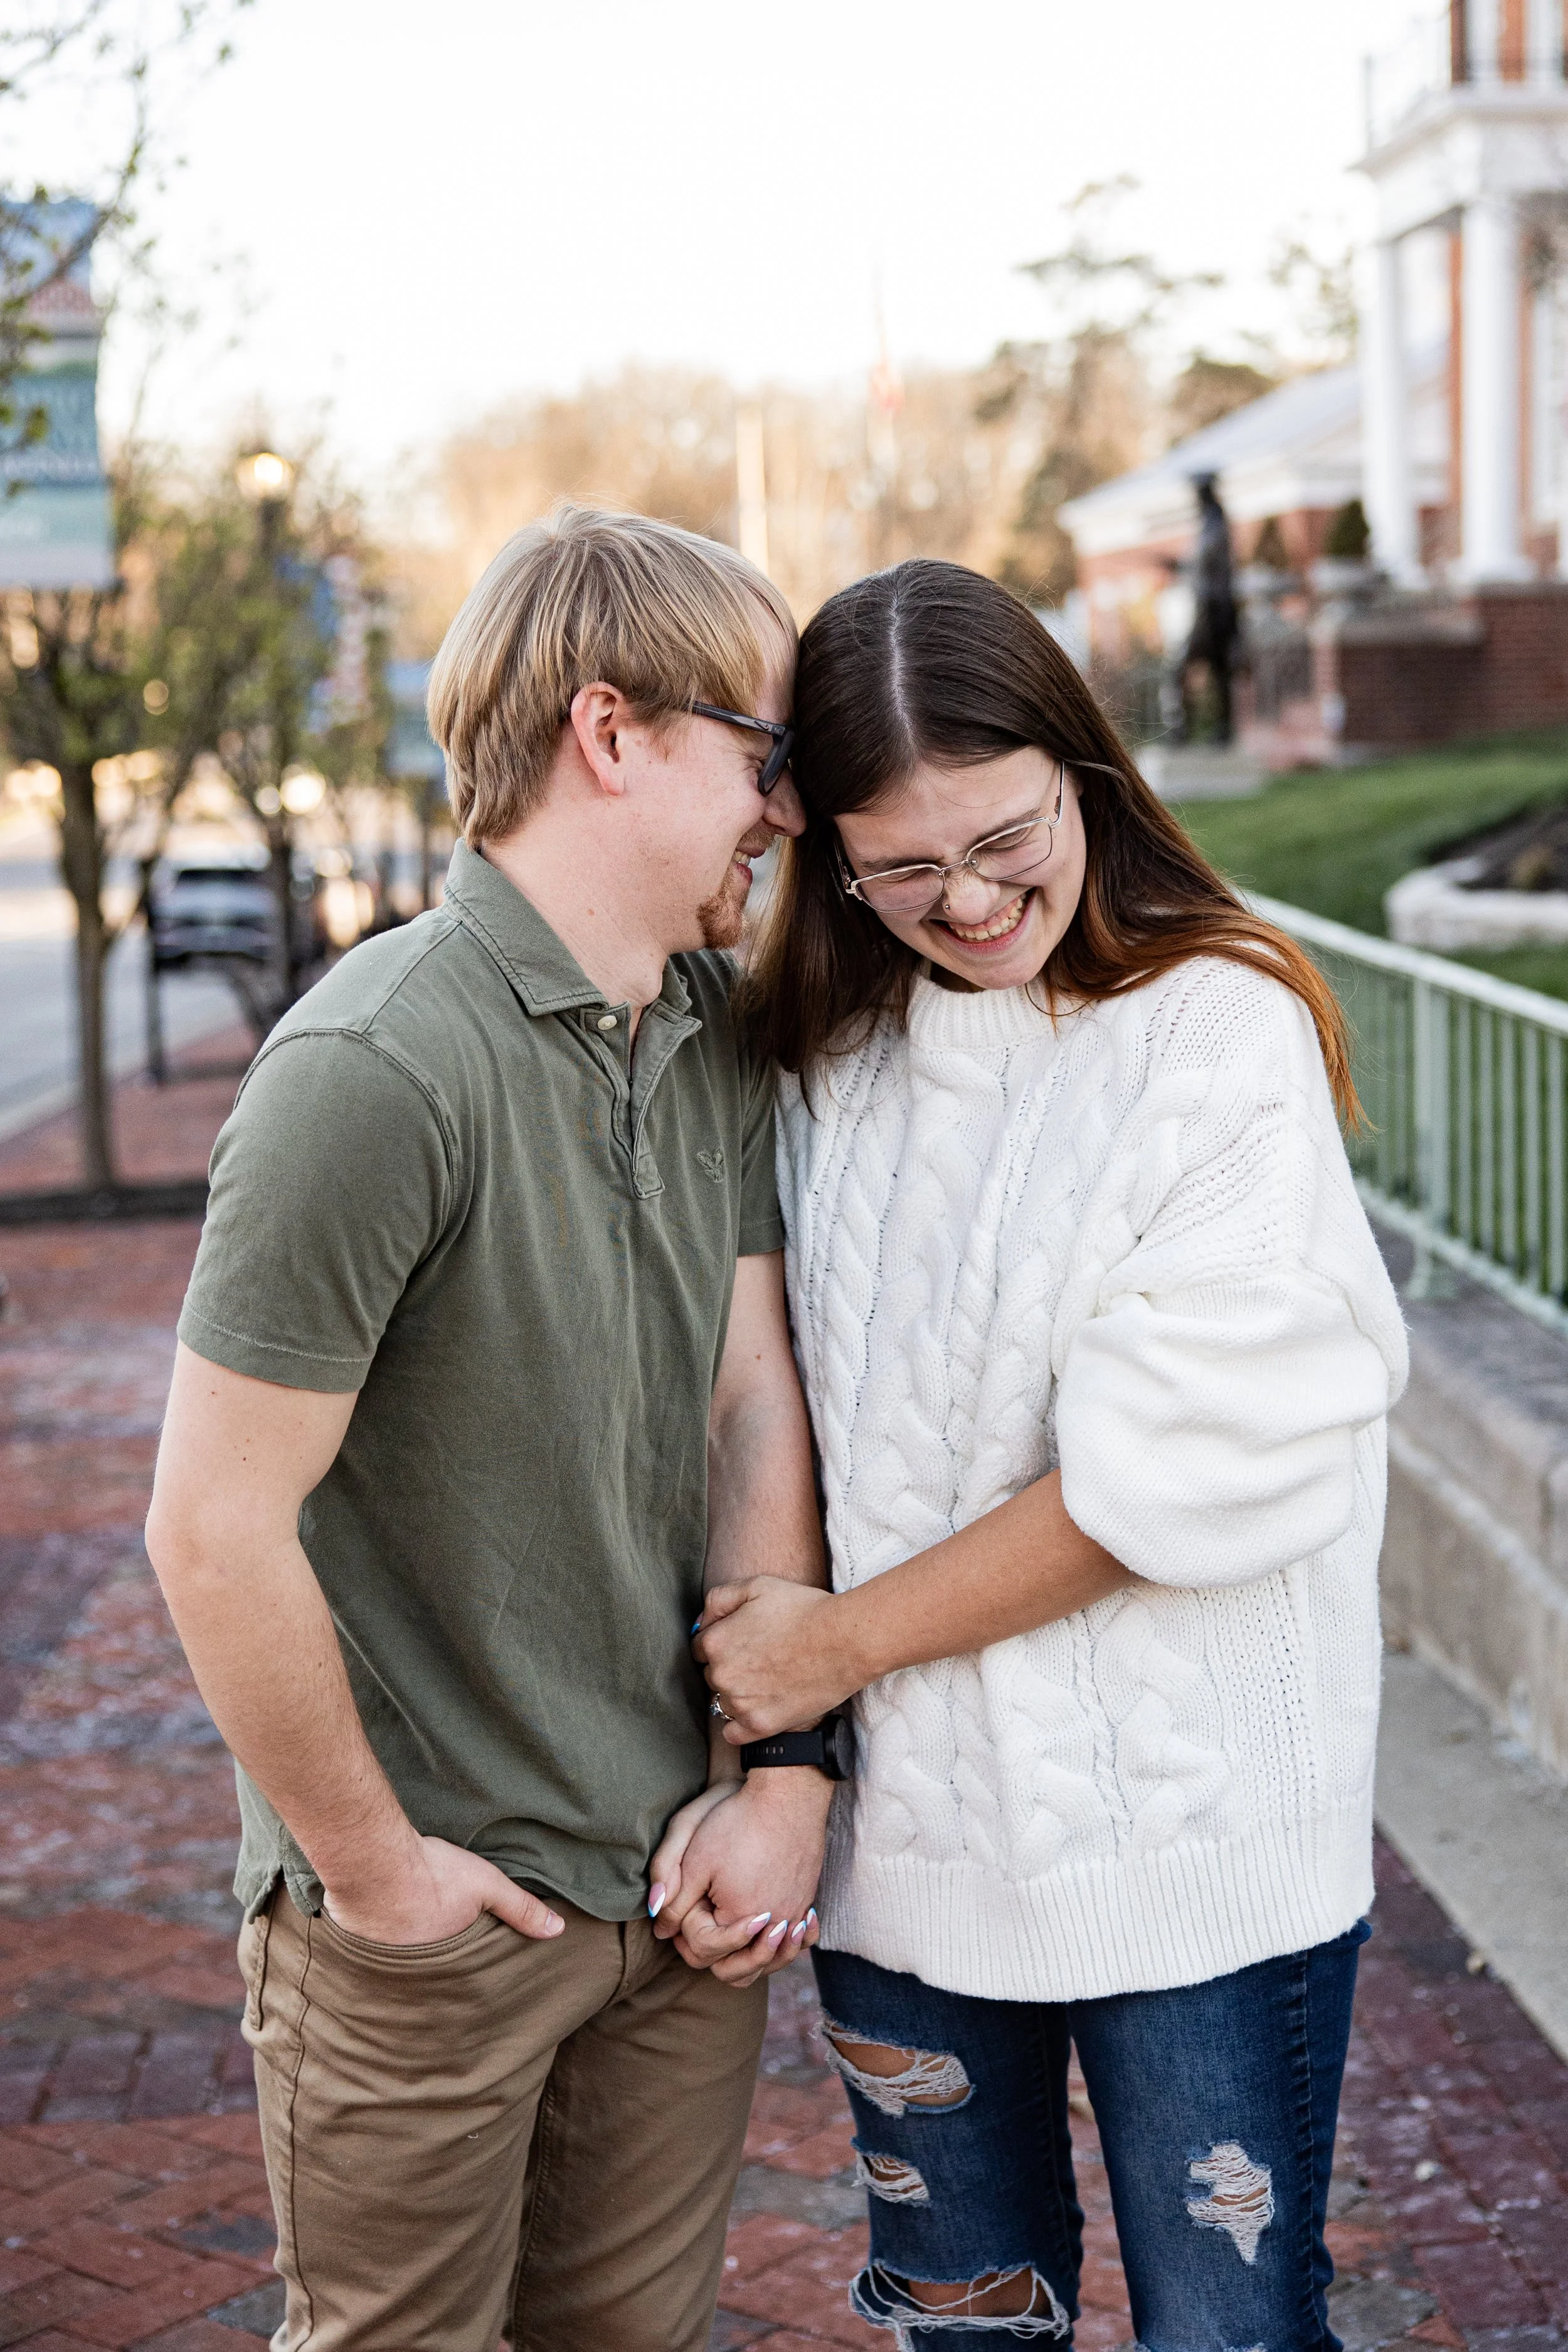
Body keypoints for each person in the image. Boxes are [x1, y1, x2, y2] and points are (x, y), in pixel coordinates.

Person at [689, 557, 1409, 2347]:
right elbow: (762, 1399)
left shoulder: (1213, 1032)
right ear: (826, 849)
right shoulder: (820, 1055)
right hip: (913, 1855)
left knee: (1225, 2332)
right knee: (962, 2329)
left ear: (1082, 775)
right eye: (903, 863)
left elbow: (1156, 1488)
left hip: (1194, 1848)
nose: (970, 897)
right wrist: (794, 1752)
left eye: (1004, 833)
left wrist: (831, 1648)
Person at [144, 506, 839, 2352]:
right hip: (433, 1917)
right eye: (768, 758)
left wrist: (775, 1773)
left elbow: (748, 1396)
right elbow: (213, 1529)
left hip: (675, 1899)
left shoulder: (707, 1029)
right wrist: (377, 1873)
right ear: (613, 734)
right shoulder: (371, 1072)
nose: (787, 810)